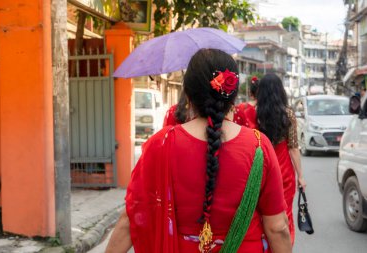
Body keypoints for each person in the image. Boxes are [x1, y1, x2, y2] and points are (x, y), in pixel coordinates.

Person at [105, 49, 292, 253]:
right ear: (234, 93)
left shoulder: (161, 144)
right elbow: (277, 227)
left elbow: (131, 220)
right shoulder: (259, 146)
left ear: (188, 94)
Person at [246, 73, 306, 245]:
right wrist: (300, 176)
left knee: (261, 212)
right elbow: (293, 147)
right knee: (284, 213)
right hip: (284, 172)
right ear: (280, 91)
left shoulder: (254, 114)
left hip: (260, 168)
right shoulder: (288, 114)